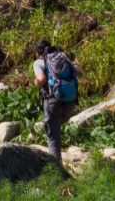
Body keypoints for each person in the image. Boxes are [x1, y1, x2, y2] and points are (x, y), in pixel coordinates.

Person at [33, 37, 80, 165]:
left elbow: (41, 79)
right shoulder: (62, 57)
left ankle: (56, 169)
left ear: (37, 52)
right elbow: (78, 72)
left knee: (53, 136)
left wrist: (36, 82)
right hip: (70, 100)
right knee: (55, 129)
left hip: (52, 100)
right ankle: (58, 162)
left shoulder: (39, 62)